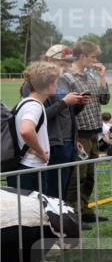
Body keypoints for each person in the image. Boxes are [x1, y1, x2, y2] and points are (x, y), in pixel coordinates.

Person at [18, 46, 89, 198]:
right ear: (50, 60)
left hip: (67, 142)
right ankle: (53, 220)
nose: (67, 65)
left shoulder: (63, 81)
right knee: (51, 192)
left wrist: (78, 104)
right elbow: (40, 116)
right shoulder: (32, 84)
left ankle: (60, 219)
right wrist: (64, 102)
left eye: (69, 62)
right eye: (63, 62)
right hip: (52, 144)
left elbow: (67, 114)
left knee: (62, 189)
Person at [61, 40, 111, 222]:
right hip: (79, 133)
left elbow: (104, 100)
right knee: (77, 176)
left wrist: (102, 77)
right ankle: (73, 214)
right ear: (82, 56)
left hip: (93, 131)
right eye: (93, 56)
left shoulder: (90, 77)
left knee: (90, 175)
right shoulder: (66, 78)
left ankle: (85, 209)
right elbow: (64, 108)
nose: (95, 60)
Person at [14, 62, 63, 195]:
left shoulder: (26, 102)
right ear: (48, 85)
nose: (57, 86)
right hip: (30, 168)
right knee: (33, 211)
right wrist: (41, 152)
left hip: (25, 166)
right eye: (56, 82)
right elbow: (26, 130)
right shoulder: (34, 106)